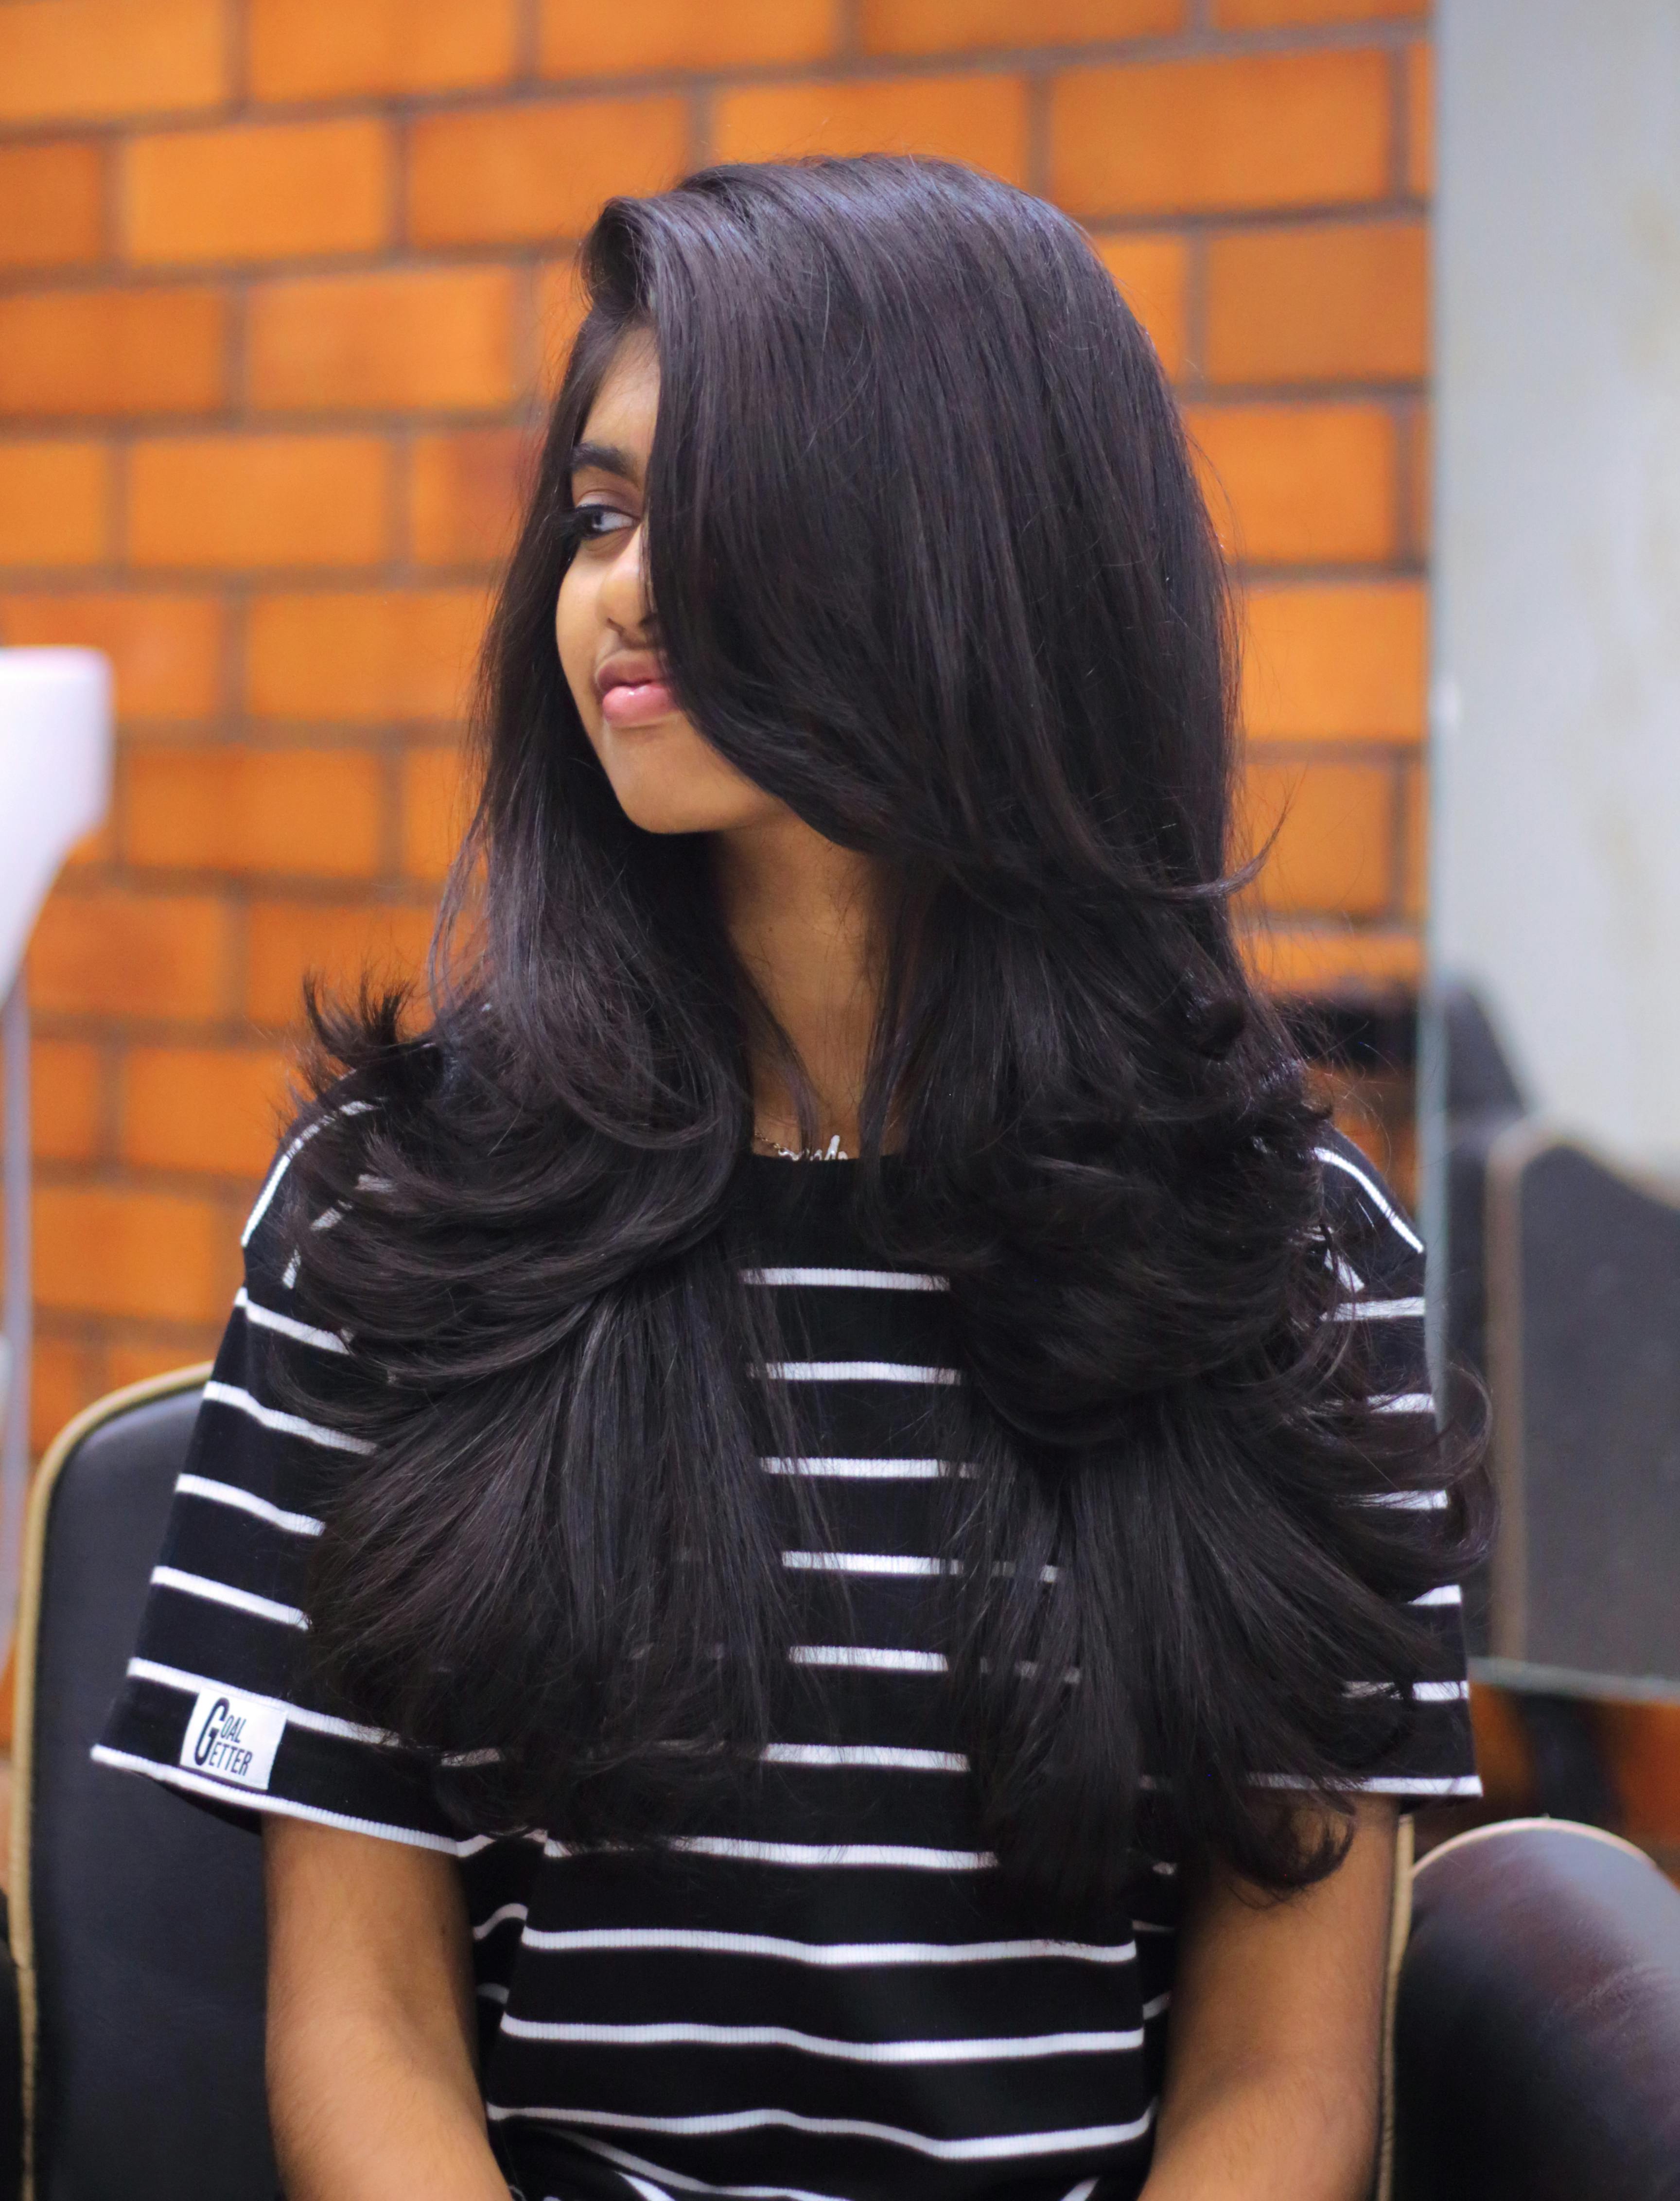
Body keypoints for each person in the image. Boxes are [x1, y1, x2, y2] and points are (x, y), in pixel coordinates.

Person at [97, 156, 1480, 2201]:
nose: (618, 589)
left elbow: (1284, 2090)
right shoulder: (396, 1215)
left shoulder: (1293, 1266)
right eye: (597, 513)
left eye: (711, 507)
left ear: (969, 547)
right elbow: (362, 2031)